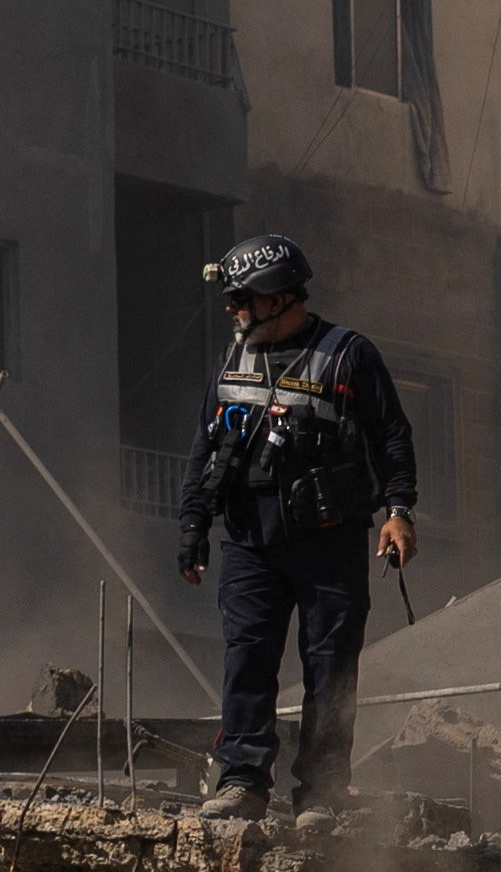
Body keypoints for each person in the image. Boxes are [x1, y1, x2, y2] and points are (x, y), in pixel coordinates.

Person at [169, 233, 418, 821]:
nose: (233, 311)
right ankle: (242, 783)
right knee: (247, 660)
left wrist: (399, 511)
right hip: (250, 544)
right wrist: (192, 524)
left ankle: (323, 794)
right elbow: (204, 450)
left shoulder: (348, 355)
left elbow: (393, 438)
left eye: (241, 300)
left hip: (329, 541)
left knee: (330, 666)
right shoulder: (233, 360)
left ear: (279, 298)